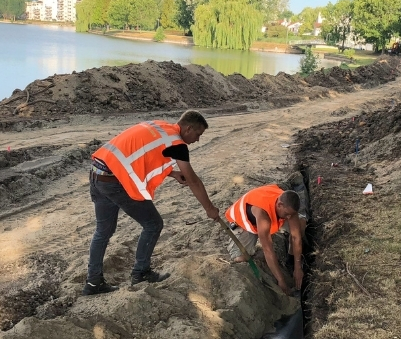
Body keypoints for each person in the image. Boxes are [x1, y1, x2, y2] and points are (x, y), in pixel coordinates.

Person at [83, 110, 220, 296]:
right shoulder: (178, 144)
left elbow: (144, 153)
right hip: (115, 181)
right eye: (198, 135)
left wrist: (171, 173)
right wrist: (210, 209)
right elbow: (193, 181)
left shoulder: (160, 126)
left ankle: (93, 283)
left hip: (98, 173)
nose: (197, 140)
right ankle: (141, 273)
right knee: (153, 224)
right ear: (188, 129)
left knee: (103, 231)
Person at [225, 184, 306, 295]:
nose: (288, 217)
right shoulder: (263, 214)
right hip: (244, 224)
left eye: (290, 215)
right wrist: (281, 280)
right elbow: (268, 250)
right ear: (280, 204)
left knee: (300, 223)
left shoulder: (288, 206)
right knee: (241, 258)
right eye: (286, 214)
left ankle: (290, 260)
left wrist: (297, 266)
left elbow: (296, 237)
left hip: (269, 218)